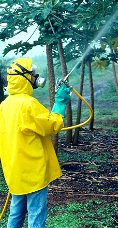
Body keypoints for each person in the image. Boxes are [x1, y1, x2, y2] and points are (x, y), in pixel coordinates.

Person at [0, 57, 71, 228]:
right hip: (33, 172)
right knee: (36, 215)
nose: (35, 76)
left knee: (16, 214)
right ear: (24, 77)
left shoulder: (5, 104)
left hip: (15, 172)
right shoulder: (28, 104)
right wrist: (60, 103)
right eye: (32, 73)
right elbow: (52, 125)